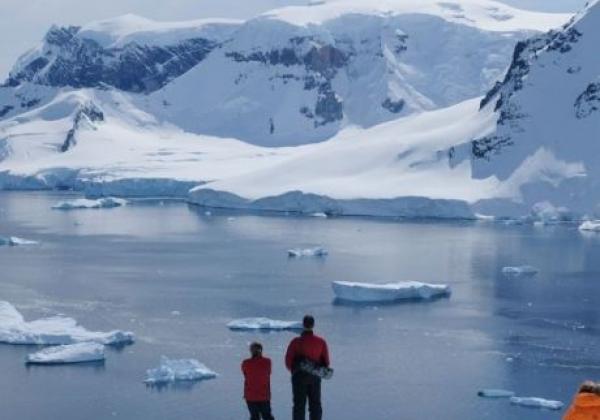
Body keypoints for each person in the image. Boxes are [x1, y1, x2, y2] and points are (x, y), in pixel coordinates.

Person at [285, 315, 330, 420]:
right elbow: (326, 362)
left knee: (299, 406)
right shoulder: (321, 341)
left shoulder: (295, 342)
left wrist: (294, 372)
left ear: (303, 325)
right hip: (315, 377)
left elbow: (288, 362)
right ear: (313, 325)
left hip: (299, 377)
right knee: (315, 405)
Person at [242, 342, 275, 420]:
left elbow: (245, 373)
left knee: (254, 417)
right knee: (267, 416)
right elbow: (268, 372)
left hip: (250, 396)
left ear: (251, 351)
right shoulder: (267, 362)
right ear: (261, 351)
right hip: (264, 395)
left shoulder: (246, 363)